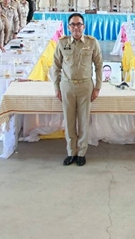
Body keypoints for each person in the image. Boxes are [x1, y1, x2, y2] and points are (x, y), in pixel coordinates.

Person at [52, 13, 103, 167]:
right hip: (67, 86)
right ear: (68, 27)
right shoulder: (62, 43)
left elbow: (99, 65)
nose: (76, 27)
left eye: (79, 24)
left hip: (85, 86)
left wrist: (98, 87)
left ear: (84, 26)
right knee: (69, 121)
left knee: (83, 121)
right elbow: (56, 67)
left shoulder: (92, 42)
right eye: (72, 25)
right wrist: (56, 87)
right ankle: (71, 152)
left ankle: (81, 152)